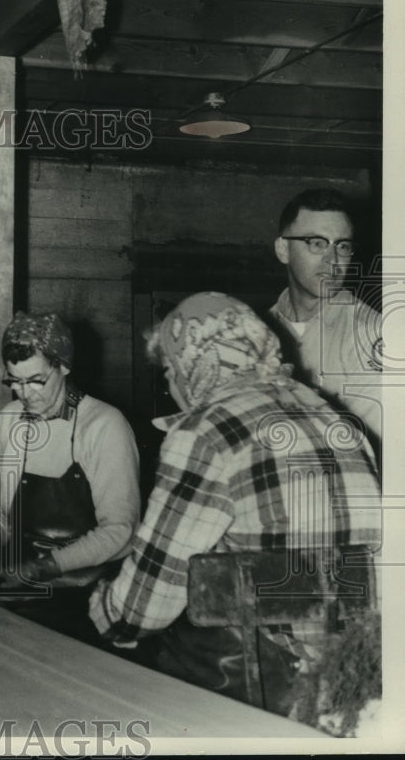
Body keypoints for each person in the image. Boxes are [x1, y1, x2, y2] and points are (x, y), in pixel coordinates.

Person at [89, 292, 382, 720]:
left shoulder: (206, 431)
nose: (170, 387)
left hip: (263, 690)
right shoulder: (336, 419)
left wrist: (103, 609)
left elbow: (143, 607)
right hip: (357, 684)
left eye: (170, 370)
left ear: (195, 363)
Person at [0, 311, 141, 589]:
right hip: (21, 579)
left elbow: (120, 530)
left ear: (64, 366)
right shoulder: (9, 420)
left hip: (88, 588)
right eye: (15, 381)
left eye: (36, 380)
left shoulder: (104, 426)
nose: (24, 394)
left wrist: (49, 566)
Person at [268, 188, 382, 450]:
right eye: (317, 243)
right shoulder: (258, 332)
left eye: (342, 246)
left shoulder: (370, 333)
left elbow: (373, 449)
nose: (333, 260)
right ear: (283, 249)